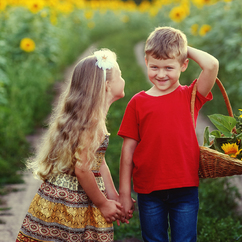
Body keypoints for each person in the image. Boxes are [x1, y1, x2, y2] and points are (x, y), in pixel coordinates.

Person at [118, 26, 219, 242]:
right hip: (148, 189)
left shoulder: (191, 96)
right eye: (154, 66)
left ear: (184, 65)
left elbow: (212, 65)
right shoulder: (137, 102)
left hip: (185, 188)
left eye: (169, 67)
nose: (161, 74)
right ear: (145, 62)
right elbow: (127, 152)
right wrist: (125, 194)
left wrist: (182, 49)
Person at [16, 49, 126, 242]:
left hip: (60, 194)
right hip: (73, 200)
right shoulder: (92, 124)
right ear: (107, 85)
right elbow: (83, 169)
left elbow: (98, 161)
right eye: (120, 75)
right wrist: (102, 204)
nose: (123, 79)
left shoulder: (91, 118)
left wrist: (113, 196)